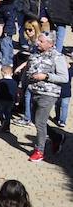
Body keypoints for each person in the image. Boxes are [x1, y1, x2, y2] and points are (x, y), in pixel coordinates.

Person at [25, 31, 69, 162]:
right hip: (33, 90)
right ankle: (56, 137)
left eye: (41, 41)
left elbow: (64, 77)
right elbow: (27, 69)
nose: (38, 43)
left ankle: (39, 151)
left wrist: (46, 76)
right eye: (38, 40)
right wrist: (22, 86)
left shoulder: (57, 57)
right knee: (35, 119)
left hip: (48, 93)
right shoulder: (35, 53)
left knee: (39, 122)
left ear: (51, 44)